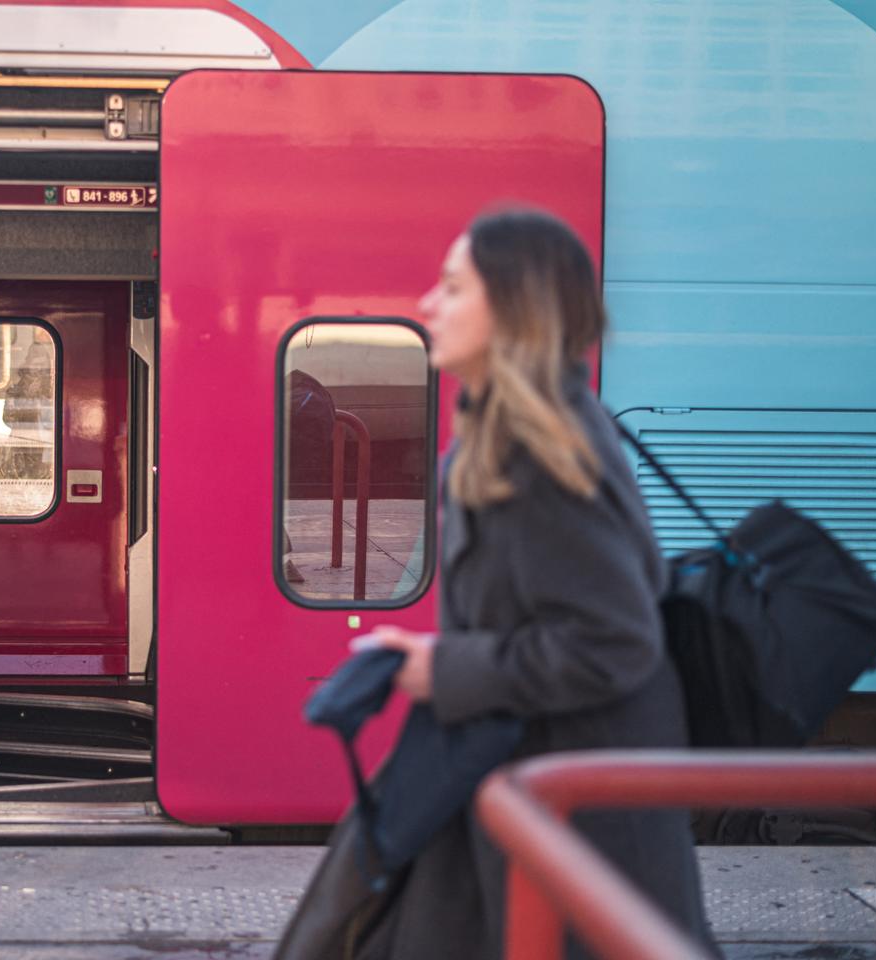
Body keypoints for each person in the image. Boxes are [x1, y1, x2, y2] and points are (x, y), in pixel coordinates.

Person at [361, 208, 714, 958]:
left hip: (582, 819)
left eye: (453, 288)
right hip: (549, 791)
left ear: (515, 305)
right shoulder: (513, 433)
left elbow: (612, 641)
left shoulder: (538, 452)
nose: (428, 304)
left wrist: (443, 668)